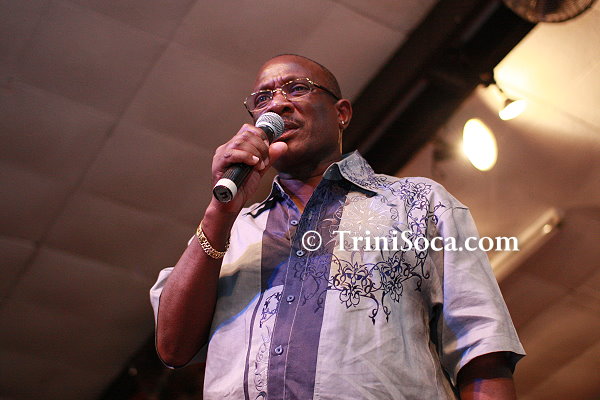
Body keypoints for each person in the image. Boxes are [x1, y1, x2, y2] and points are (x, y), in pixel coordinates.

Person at [150, 54, 525, 399]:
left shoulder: (419, 202)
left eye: (297, 88)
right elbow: (172, 348)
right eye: (262, 98)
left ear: (342, 113)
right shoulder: (229, 233)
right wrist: (220, 213)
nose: (277, 104)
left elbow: (482, 350)